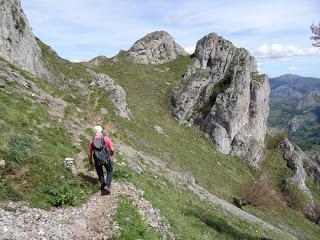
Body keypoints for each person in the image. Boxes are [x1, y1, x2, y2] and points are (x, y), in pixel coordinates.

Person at [88, 125, 114, 195]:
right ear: (101, 131)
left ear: (94, 132)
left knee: (100, 173)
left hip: (97, 159)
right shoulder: (106, 139)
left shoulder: (91, 141)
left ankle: (103, 187)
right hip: (106, 158)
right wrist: (111, 155)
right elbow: (112, 149)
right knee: (110, 170)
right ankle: (107, 186)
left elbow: (89, 153)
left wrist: (91, 161)